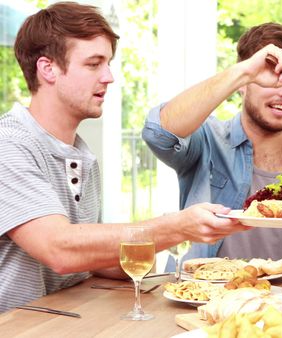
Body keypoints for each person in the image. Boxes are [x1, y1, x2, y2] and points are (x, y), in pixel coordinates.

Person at [0, 2, 247, 313]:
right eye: (93, 64)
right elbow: (59, 249)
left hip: (64, 323)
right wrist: (177, 227)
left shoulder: (80, 154)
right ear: (47, 69)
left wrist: (130, 253)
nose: (109, 77)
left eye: (108, 63)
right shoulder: (9, 146)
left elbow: (86, 256)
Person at [142, 23, 282, 274]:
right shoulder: (208, 140)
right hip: (201, 300)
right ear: (243, 82)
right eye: (272, 78)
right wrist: (245, 71)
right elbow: (158, 134)